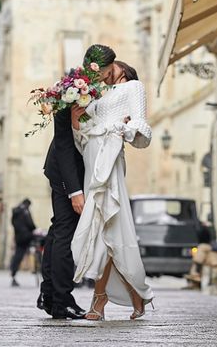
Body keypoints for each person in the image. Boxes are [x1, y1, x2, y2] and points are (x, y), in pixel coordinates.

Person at [37, 44, 117, 320]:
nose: (109, 76)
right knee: (64, 232)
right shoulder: (72, 90)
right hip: (64, 172)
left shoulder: (88, 88)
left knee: (57, 230)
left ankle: (49, 293)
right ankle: (60, 300)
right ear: (99, 68)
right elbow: (63, 143)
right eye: (108, 71)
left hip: (75, 171)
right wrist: (75, 191)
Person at [71, 60, 154, 321]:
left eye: (110, 67)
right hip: (91, 159)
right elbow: (85, 135)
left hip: (110, 160)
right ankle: (135, 294)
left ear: (122, 68)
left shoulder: (134, 87)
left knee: (107, 229)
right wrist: (76, 122)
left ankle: (100, 298)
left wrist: (123, 129)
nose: (104, 73)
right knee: (103, 231)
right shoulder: (100, 93)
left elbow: (142, 127)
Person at [10, 198, 36, 286]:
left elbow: (13, 223)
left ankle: (13, 273)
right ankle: (35, 269)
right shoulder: (25, 211)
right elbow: (30, 223)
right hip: (27, 237)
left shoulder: (16, 211)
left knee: (18, 255)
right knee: (30, 252)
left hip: (18, 237)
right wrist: (34, 229)